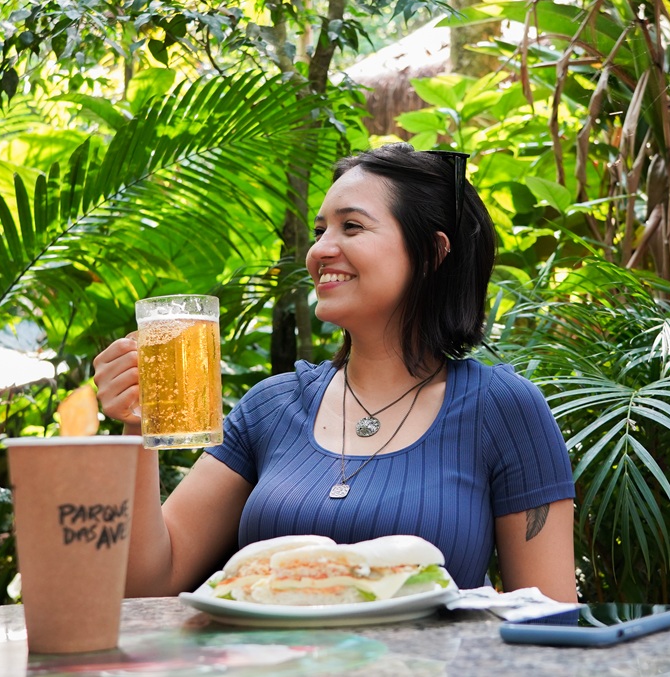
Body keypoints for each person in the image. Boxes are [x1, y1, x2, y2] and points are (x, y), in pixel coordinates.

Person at [93, 142, 577, 601]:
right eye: (322, 228)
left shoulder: (503, 410)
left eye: (351, 227)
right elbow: (146, 587)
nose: (320, 249)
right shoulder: (271, 407)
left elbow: (548, 617)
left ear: (432, 253)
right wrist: (135, 428)